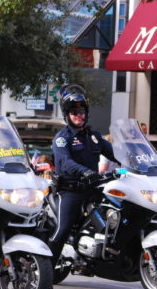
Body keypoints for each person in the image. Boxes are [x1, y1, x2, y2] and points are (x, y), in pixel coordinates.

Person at [49, 84, 117, 262]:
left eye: (81, 111)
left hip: (94, 189)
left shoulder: (94, 136)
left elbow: (115, 154)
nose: (79, 115)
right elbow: (65, 162)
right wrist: (85, 171)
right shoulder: (63, 138)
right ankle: (45, 270)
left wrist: (138, 163)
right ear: (67, 115)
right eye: (74, 112)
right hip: (71, 191)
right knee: (62, 229)